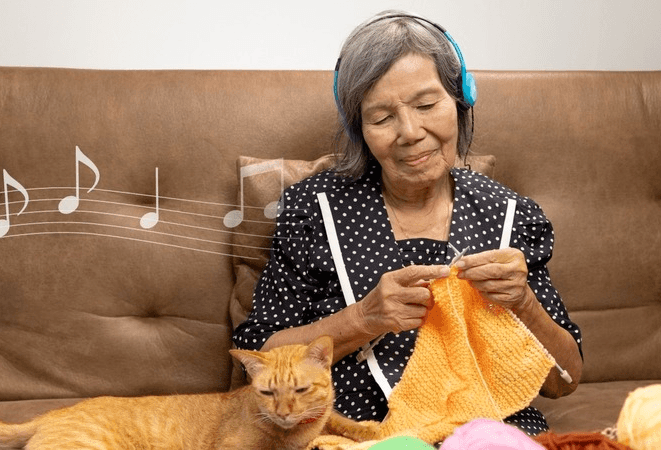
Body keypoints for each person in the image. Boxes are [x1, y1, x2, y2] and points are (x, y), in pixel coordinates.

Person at [232, 10, 582, 436]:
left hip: (488, 433)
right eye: (382, 118)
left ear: (460, 99)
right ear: (359, 129)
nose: (410, 131)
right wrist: (362, 318)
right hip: (360, 434)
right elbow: (259, 358)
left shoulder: (508, 216)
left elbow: (565, 380)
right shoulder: (314, 210)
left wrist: (523, 303)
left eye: (427, 105)